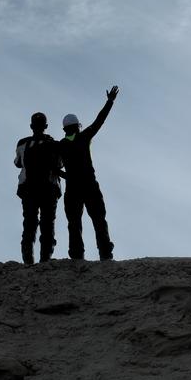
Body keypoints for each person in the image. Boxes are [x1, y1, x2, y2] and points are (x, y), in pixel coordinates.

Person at [59, 86, 118, 261]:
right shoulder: (84, 137)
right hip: (90, 185)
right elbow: (99, 120)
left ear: (64, 129)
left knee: (74, 223)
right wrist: (110, 101)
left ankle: (77, 256)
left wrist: (63, 174)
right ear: (78, 126)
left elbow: (54, 168)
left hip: (73, 189)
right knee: (99, 219)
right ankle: (105, 254)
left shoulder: (61, 145)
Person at [14, 112, 63, 265]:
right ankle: (45, 259)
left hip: (28, 188)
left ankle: (28, 260)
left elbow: (17, 163)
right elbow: (60, 164)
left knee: (29, 223)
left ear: (31, 126)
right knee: (48, 223)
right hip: (49, 188)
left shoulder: (22, 143)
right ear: (46, 126)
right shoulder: (54, 144)